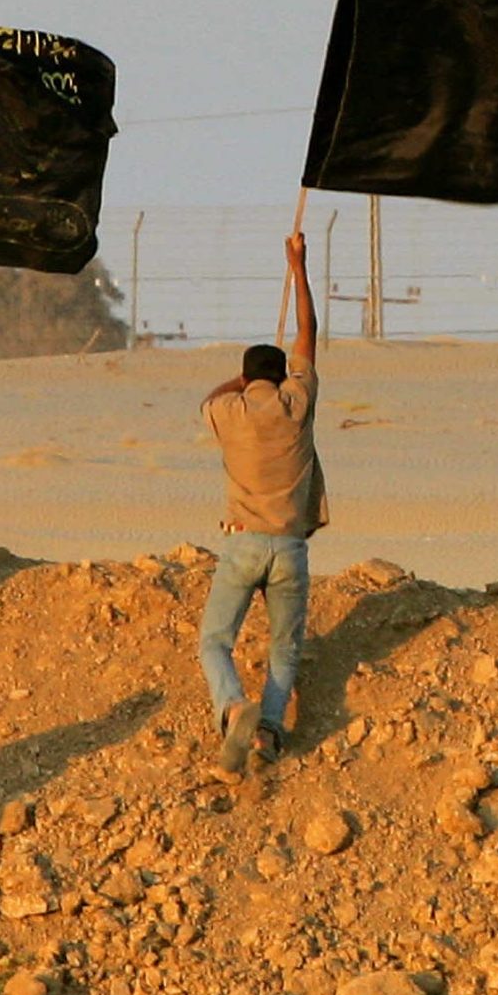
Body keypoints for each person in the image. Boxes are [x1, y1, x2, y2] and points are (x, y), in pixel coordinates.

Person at [197, 233, 326, 783]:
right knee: (283, 650)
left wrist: (243, 379)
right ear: (283, 376)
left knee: (214, 641)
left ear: (247, 378)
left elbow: (209, 398)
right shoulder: (297, 404)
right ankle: (269, 732)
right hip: (290, 546)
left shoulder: (229, 411)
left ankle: (232, 709)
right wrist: (298, 266)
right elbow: (308, 331)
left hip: (243, 542)